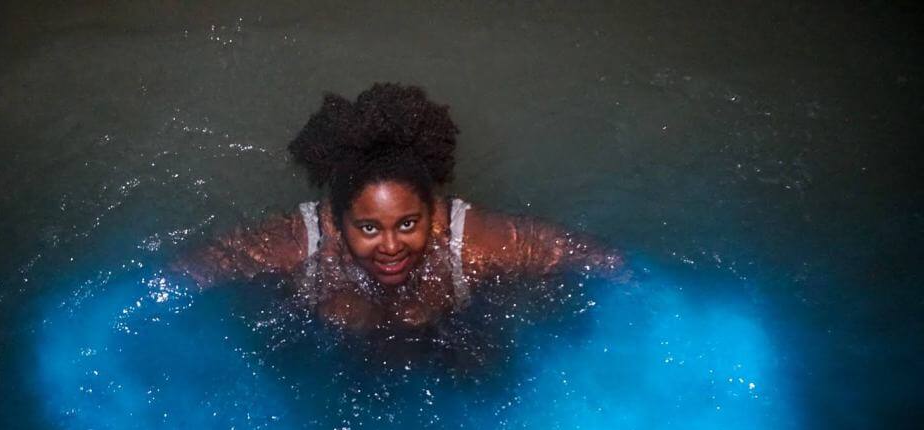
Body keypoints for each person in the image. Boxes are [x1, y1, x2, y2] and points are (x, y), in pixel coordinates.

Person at [173, 83, 623, 332]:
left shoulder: (470, 238)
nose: (391, 246)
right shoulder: (302, 242)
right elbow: (184, 274)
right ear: (336, 220)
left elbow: (602, 260)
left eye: (408, 223)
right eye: (368, 228)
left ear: (436, 213)